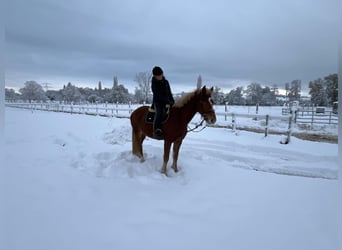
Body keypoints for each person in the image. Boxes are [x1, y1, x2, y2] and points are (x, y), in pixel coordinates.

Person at [151, 66, 174, 138]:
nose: (160, 76)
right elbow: (158, 95)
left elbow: (169, 93)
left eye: (161, 74)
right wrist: (167, 102)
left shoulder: (166, 82)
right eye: (158, 76)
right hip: (158, 102)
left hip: (168, 102)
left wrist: (172, 101)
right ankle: (156, 130)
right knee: (159, 113)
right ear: (155, 76)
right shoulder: (154, 83)